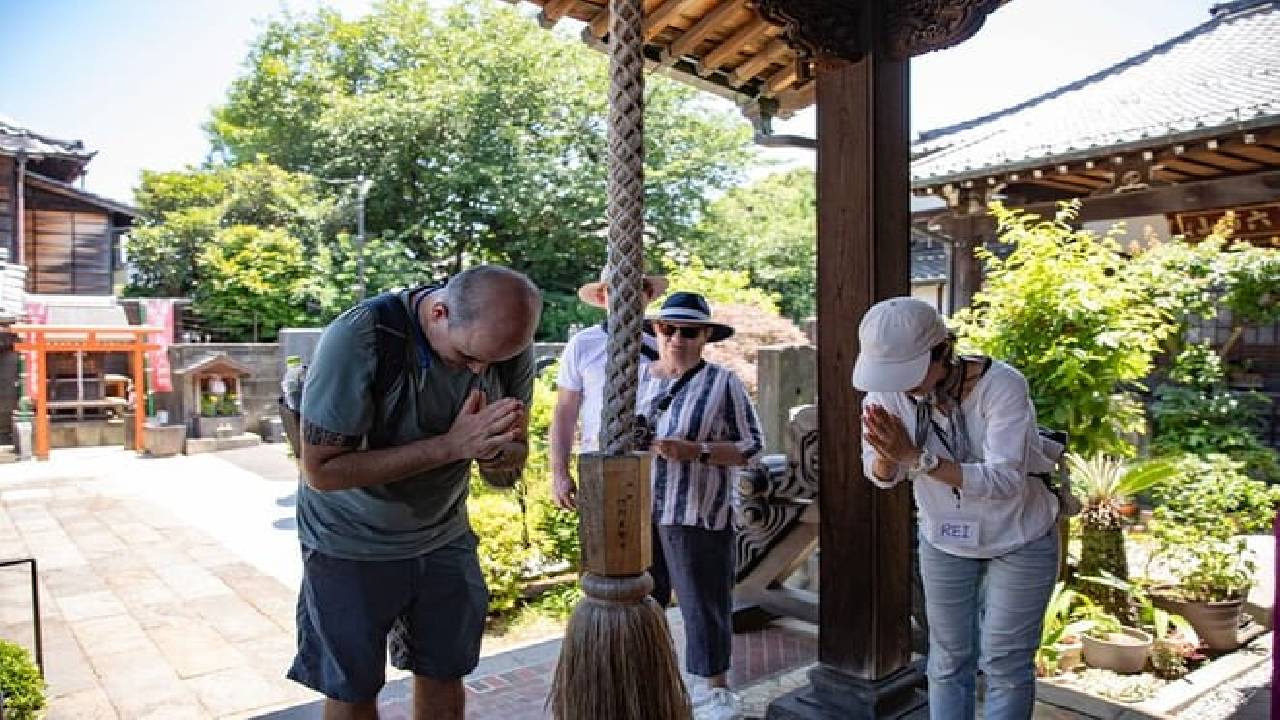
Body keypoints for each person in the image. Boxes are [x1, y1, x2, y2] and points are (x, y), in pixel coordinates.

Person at [290, 265, 542, 720]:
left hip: (443, 534)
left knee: (446, 670)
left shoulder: (504, 346)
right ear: (439, 312)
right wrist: (452, 446)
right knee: (352, 686)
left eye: (495, 359)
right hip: (350, 540)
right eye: (468, 358)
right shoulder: (362, 337)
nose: (480, 371)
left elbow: (509, 465)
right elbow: (321, 471)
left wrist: (498, 455)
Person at [851, 297, 1059, 720]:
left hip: (1021, 533)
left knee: (1005, 661)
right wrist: (887, 457)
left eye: (910, 371)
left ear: (943, 350)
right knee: (946, 660)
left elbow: (1004, 480)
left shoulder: (1002, 386)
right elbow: (880, 476)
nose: (902, 386)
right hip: (944, 536)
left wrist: (916, 458)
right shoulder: (884, 393)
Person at [638, 291, 763, 720]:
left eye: (688, 331)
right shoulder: (638, 380)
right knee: (644, 605)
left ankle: (714, 691)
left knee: (703, 606)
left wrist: (698, 450)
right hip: (640, 514)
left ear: (705, 335)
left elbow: (751, 447)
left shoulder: (723, 384)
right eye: (667, 328)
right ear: (656, 330)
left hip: (697, 511)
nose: (676, 338)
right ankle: (651, 684)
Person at [550, 268, 666, 510]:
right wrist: (560, 473)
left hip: (659, 467)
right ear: (603, 298)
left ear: (649, 294)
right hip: (599, 461)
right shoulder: (582, 345)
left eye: (638, 288)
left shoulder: (666, 343)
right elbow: (565, 411)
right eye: (616, 289)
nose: (627, 295)